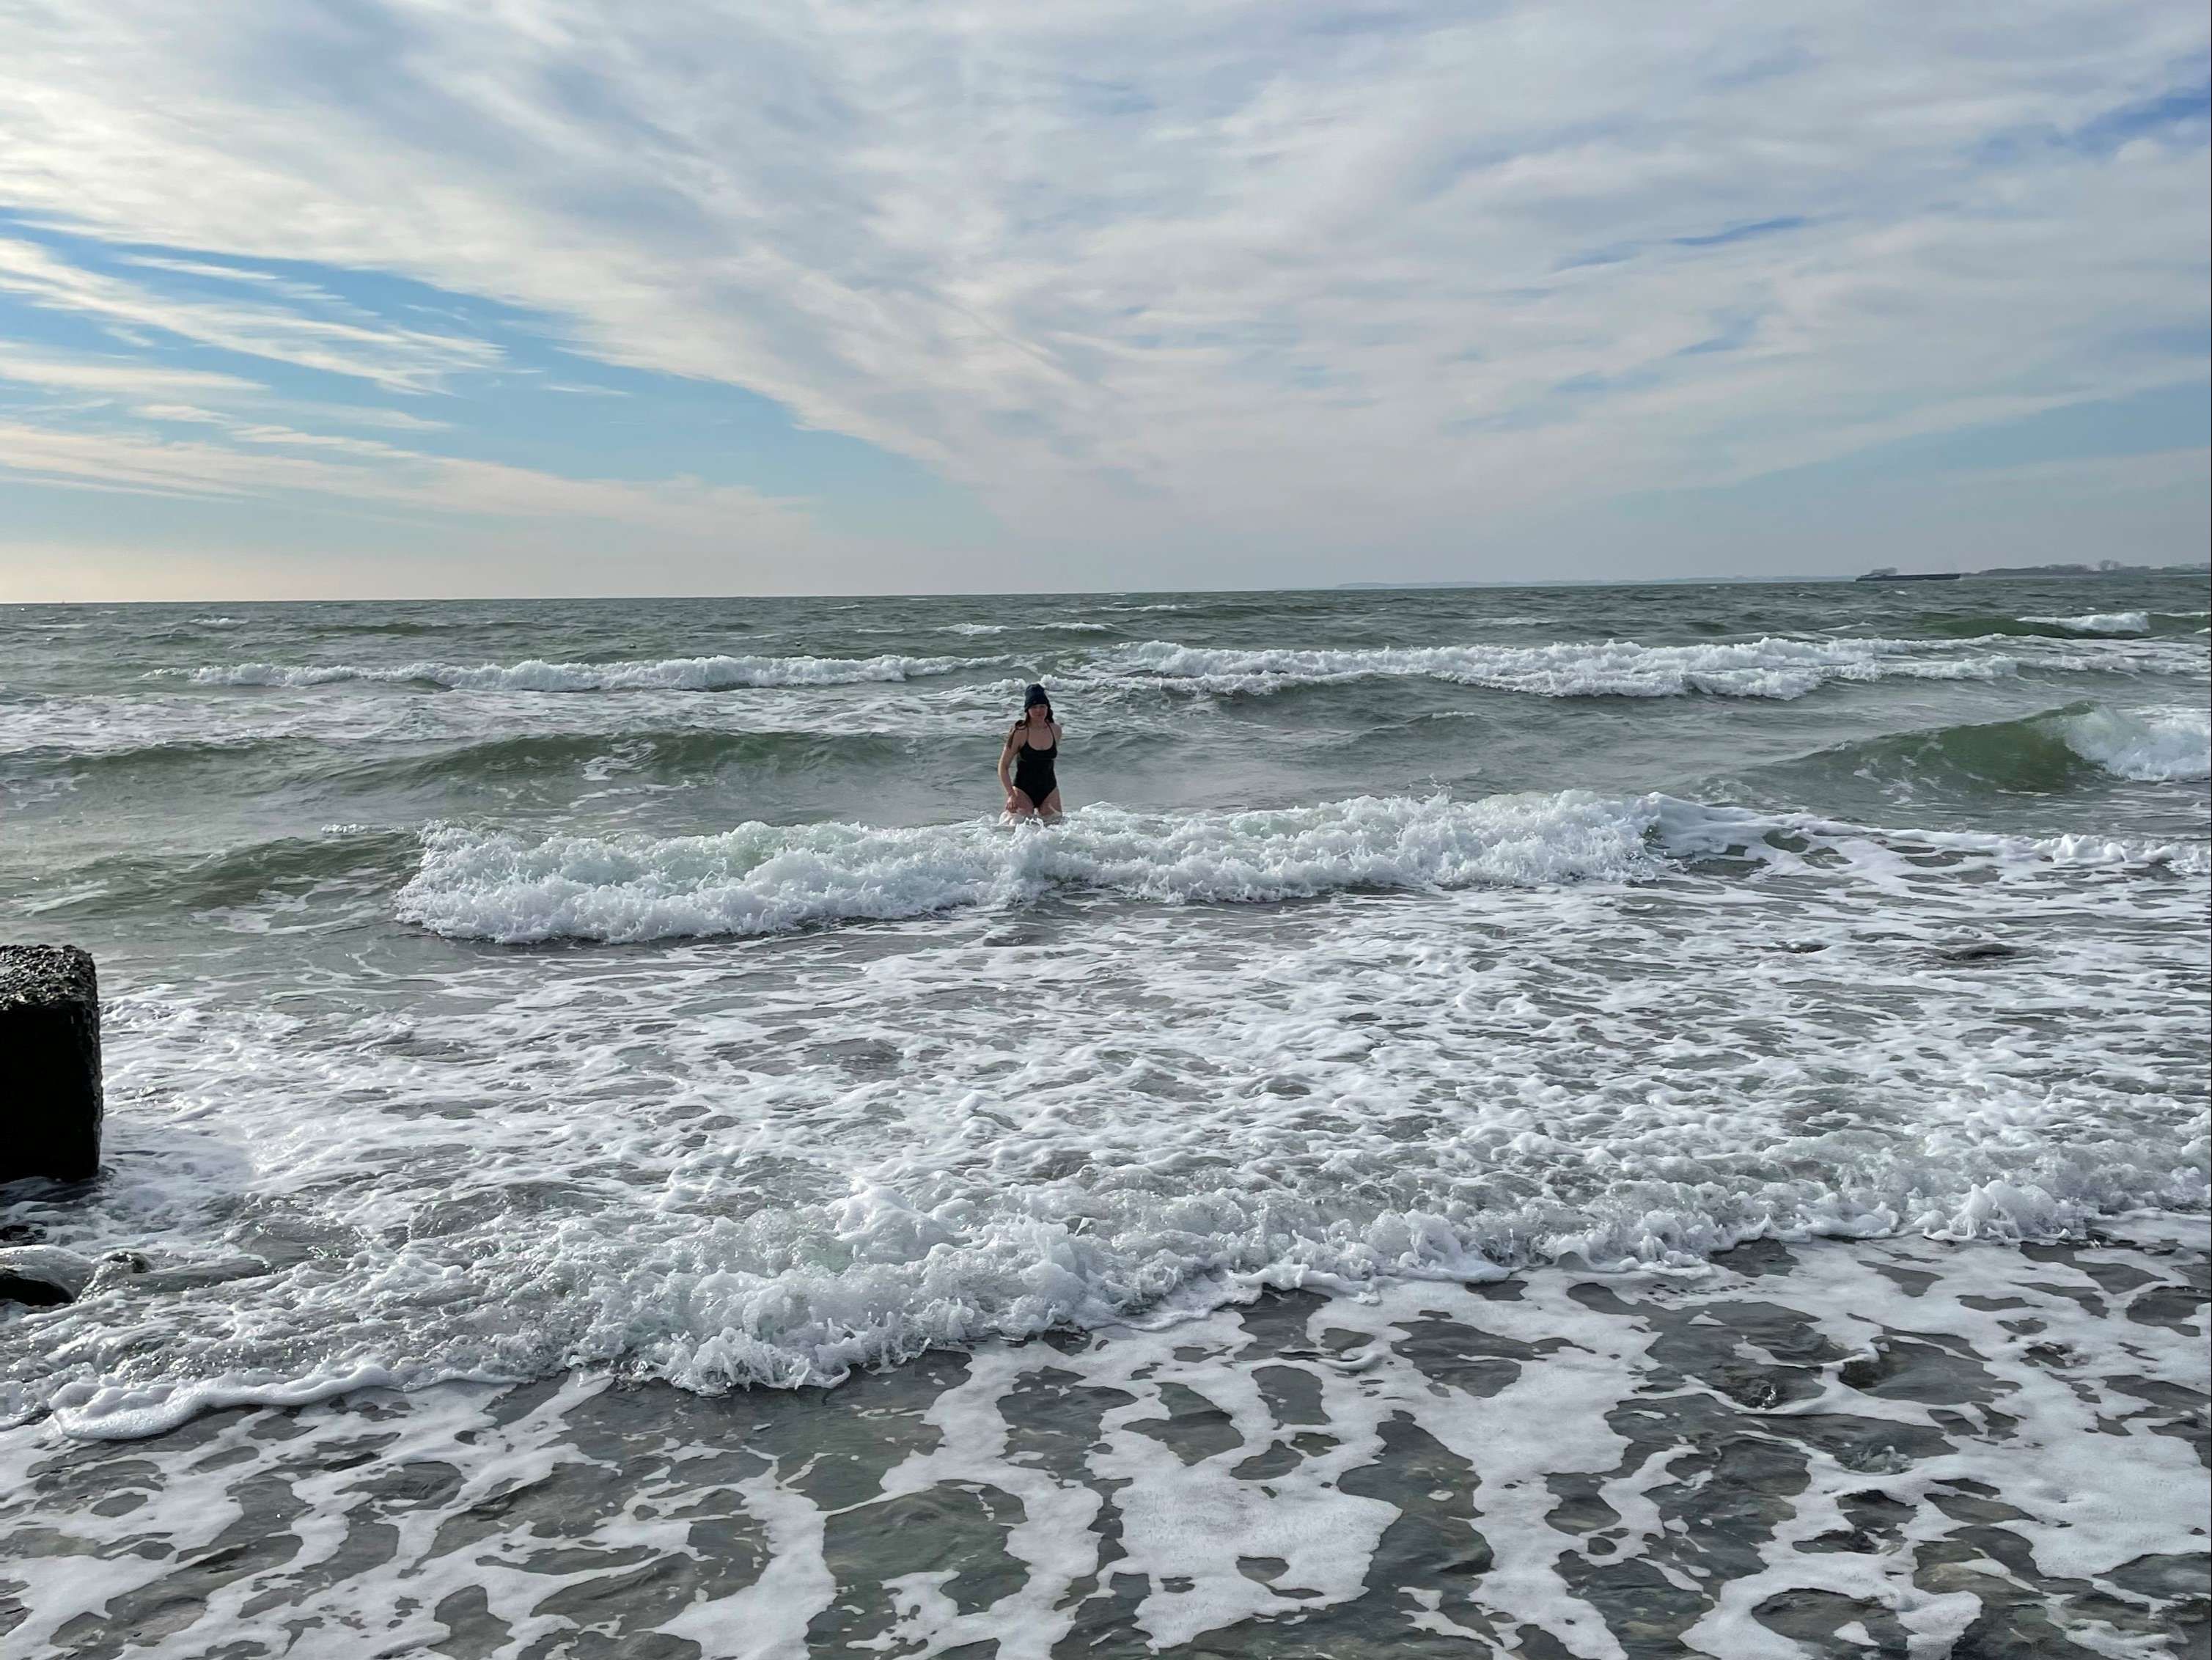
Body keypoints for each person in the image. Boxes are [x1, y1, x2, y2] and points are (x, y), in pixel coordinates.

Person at [999, 683, 1063, 820]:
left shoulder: (1055, 730)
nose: (1039, 710)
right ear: (1027, 709)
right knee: (1018, 835)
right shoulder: (1020, 732)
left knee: (1056, 835)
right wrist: (1011, 794)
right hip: (1023, 791)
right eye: (1034, 707)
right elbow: (1003, 767)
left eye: (1042, 706)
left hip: (1049, 791)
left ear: (1048, 708)